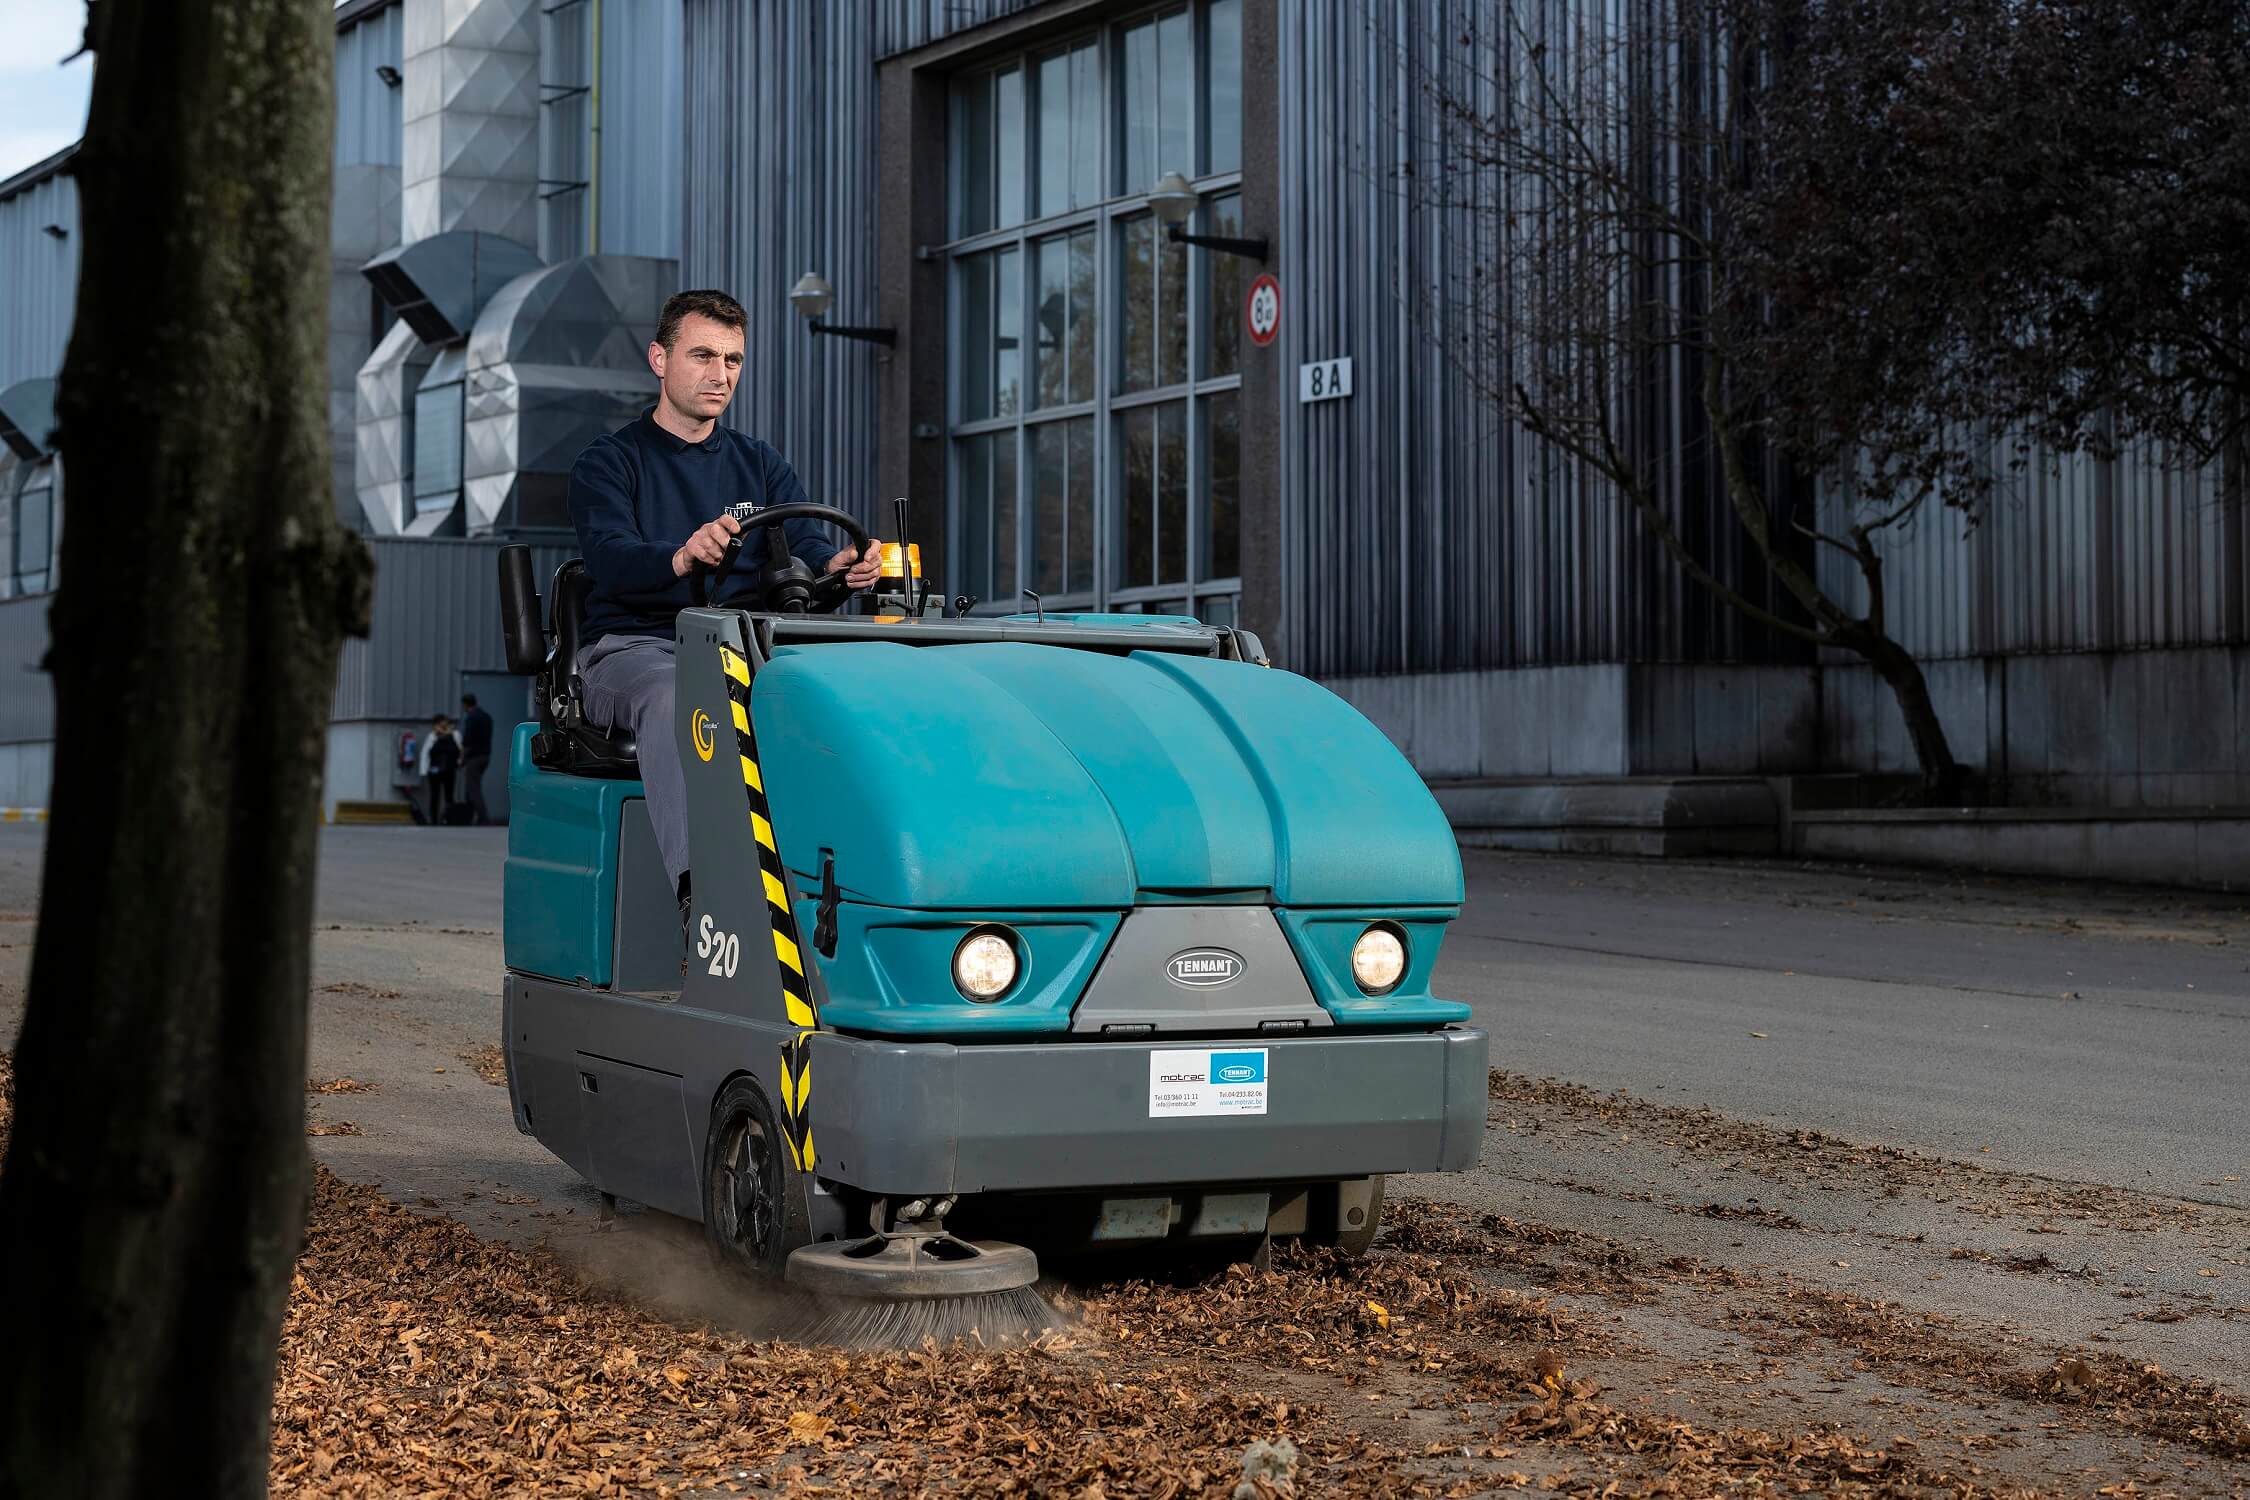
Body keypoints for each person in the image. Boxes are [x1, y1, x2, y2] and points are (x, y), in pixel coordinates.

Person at [567, 289, 883, 936]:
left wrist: (840, 565)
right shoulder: (610, 462)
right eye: (703, 355)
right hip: (636, 649)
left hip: (749, 644)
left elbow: (809, 547)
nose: (720, 375)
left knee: (848, 698)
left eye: (733, 360)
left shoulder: (758, 463)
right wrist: (682, 558)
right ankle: (703, 901)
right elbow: (611, 559)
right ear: (660, 359)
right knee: (680, 696)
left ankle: (853, 889)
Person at [457, 692, 494, 825]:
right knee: (473, 787)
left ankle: (483, 818)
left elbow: (468, 741)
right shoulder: (486, 717)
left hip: (474, 758)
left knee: (473, 789)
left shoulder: (472, 718)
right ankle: (473, 817)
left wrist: (461, 758)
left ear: (465, 704)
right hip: (485, 756)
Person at [422, 714, 461, 827]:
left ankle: (449, 818)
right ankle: (434, 819)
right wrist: (424, 771)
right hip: (435, 770)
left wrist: (448, 735)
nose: (442, 726)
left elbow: (458, 750)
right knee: (435, 795)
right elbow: (426, 753)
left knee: (449, 795)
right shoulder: (432, 736)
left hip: (449, 769)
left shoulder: (454, 735)